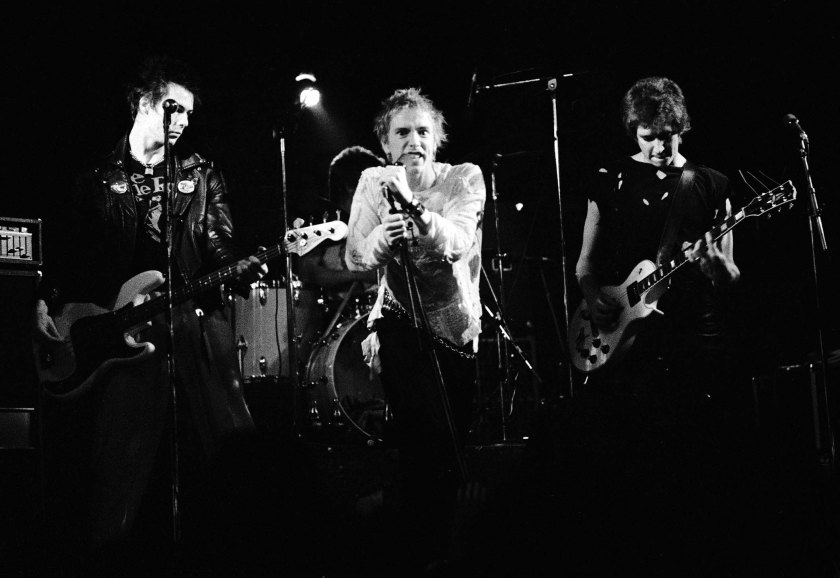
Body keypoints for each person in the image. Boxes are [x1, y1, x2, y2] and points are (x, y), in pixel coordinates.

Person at [31, 55, 267, 574]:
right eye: (171, 108)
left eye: (187, 113)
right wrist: (44, 300)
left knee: (231, 440)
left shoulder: (200, 173)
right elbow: (68, 255)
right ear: (142, 103)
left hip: (190, 316)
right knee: (119, 461)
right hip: (124, 333)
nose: (181, 121)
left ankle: (250, 549)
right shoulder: (96, 178)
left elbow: (218, 241)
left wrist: (239, 267)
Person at [344, 87, 486, 571]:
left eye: (423, 131)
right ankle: (416, 554)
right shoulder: (372, 180)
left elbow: (459, 241)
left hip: (455, 325)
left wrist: (418, 213)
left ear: (437, 138)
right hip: (398, 321)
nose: (413, 141)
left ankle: (433, 541)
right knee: (415, 439)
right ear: (385, 143)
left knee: (448, 446)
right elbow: (353, 254)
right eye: (402, 132)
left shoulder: (464, 179)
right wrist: (380, 242)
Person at [296, 146, 384, 367]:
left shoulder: (381, 216)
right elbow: (308, 270)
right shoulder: (325, 220)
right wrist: (357, 274)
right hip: (332, 320)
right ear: (351, 185)